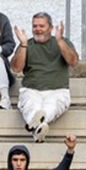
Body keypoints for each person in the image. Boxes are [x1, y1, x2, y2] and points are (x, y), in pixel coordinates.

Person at [10, 13, 77, 142]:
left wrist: (59, 41)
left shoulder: (62, 42)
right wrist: (23, 44)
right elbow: (16, 68)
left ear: (50, 28)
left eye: (42, 26)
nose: (38, 29)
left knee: (51, 106)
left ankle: (36, 124)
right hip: (31, 89)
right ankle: (40, 126)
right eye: (35, 26)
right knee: (30, 105)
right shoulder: (26, 44)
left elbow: (73, 61)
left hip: (57, 90)